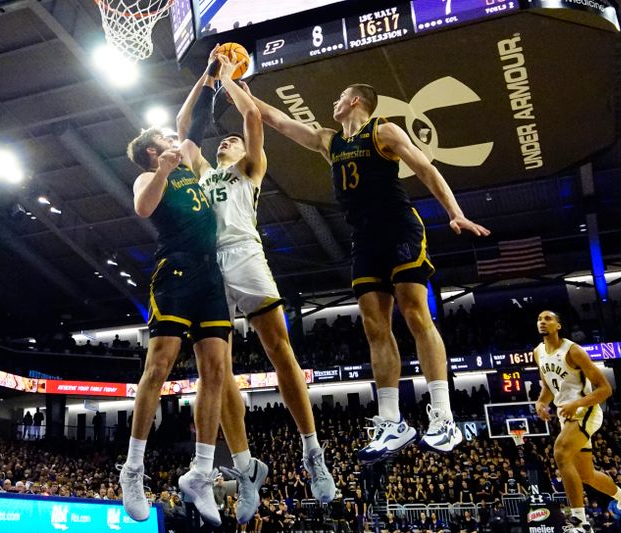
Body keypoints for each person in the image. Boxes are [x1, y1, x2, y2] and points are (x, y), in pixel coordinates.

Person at [241, 82, 490, 457]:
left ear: (355, 101)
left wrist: (455, 213)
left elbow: (425, 168)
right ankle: (391, 422)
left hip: (399, 228)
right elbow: (275, 119)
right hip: (364, 239)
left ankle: (443, 417)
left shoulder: (384, 131)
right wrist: (234, 88)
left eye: (339, 96)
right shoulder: (329, 141)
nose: (334, 101)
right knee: (375, 326)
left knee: (416, 313)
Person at [175, 51, 335, 523]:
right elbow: (184, 129)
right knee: (216, 373)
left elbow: (249, 115)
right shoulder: (203, 173)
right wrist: (206, 78)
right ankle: (246, 470)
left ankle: (313, 453)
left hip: (245, 254)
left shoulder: (250, 171)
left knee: (280, 352)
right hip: (209, 267)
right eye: (222, 140)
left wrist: (228, 78)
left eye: (233, 142)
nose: (226, 140)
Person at [121, 62, 234, 527]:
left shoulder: (187, 159)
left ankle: (202, 472)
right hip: (175, 273)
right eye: (165, 140)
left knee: (217, 371)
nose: (174, 140)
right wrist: (163, 169)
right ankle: (132, 468)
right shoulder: (150, 176)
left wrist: (207, 79)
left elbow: (191, 121)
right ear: (153, 149)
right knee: (160, 365)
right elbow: (144, 207)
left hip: (212, 277)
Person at [533, 310, 621, 533]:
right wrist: (541, 402)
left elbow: (605, 389)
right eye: (539, 319)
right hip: (568, 416)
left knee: (561, 453)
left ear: (558, 325)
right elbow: (548, 386)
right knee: (586, 475)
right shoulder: (538, 352)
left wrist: (577, 403)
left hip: (587, 411)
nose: (542, 322)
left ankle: (580, 522)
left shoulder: (573, 351)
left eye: (548, 319)